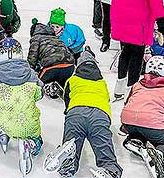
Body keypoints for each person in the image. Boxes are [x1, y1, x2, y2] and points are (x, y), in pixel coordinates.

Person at [44, 48, 123, 178]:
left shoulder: (72, 80)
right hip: (99, 114)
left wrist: (68, 111)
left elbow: (67, 98)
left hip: (76, 113)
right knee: (103, 145)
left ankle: (68, 164)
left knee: (71, 143)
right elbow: (106, 99)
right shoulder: (102, 82)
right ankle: (110, 169)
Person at [0, 38, 43, 176]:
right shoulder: (30, 73)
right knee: (37, 137)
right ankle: (32, 144)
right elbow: (39, 94)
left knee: (3, 119)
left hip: (6, 121)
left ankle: (3, 134)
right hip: (29, 124)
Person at [121, 56, 164, 178]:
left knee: (141, 131)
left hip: (129, 121)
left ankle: (135, 139)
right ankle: (161, 156)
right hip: (151, 124)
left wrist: (125, 127)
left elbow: (128, 103)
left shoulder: (137, 85)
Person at [28, 18, 75, 99]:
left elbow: (33, 56)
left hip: (52, 67)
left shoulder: (36, 38)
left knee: (38, 84)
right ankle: (66, 89)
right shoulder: (56, 39)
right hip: (69, 66)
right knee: (63, 80)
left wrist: (29, 70)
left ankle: (50, 87)